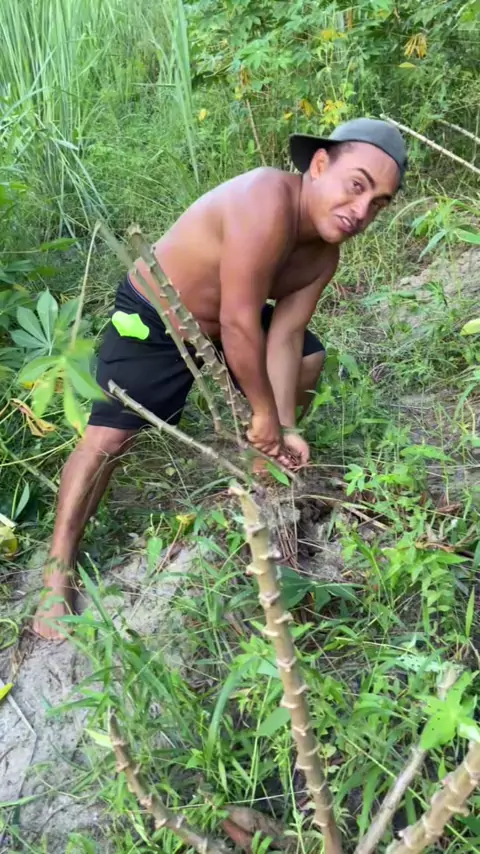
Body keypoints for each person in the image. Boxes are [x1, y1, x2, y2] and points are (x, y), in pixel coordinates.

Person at [33, 117, 407, 639]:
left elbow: (285, 336)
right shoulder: (265, 198)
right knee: (108, 440)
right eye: (356, 185)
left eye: (378, 204)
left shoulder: (324, 256)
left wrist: (283, 424)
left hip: (226, 327)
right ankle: (57, 572)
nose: (361, 211)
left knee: (308, 358)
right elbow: (238, 320)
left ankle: (261, 453)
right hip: (157, 317)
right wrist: (262, 410)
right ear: (320, 165)